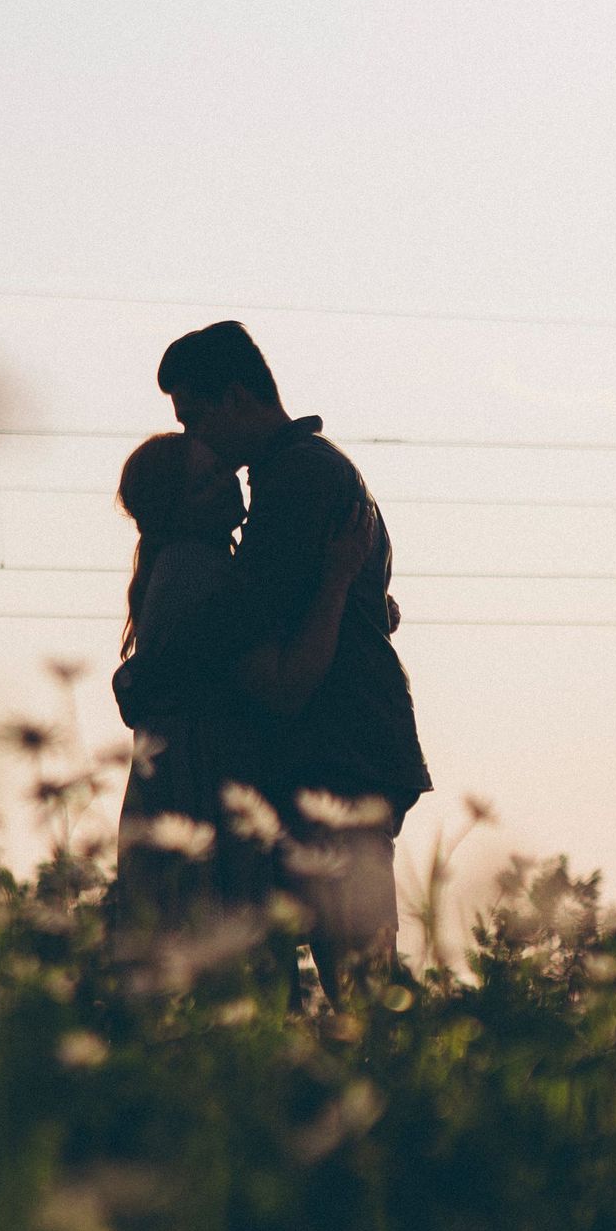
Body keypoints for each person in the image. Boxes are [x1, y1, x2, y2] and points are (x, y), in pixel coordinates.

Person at [156, 320, 432, 992]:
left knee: (358, 974)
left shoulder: (296, 478)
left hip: (337, 751)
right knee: (353, 967)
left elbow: (246, 612)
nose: (194, 440)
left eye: (195, 418)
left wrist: (152, 665)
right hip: (350, 748)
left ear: (236, 397)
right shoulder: (311, 470)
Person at [111, 428, 373, 921]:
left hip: (181, 788)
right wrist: (337, 580)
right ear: (176, 512)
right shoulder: (200, 573)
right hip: (203, 792)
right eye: (205, 483)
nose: (227, 484)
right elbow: (284, 685)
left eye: (221, 470)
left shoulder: (181, 568)